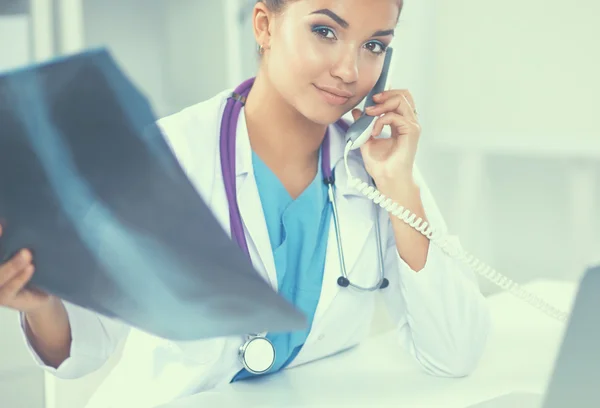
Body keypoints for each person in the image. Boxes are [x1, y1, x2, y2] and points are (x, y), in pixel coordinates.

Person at [0, 0, 491, 407]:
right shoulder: (167, 155)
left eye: (374, 46)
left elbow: (453, 352)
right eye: (325, 31)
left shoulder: (375, 164)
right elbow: (82, 351)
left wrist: (399, 184)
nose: (349, 70)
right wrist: (41, 304)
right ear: (265, 26)